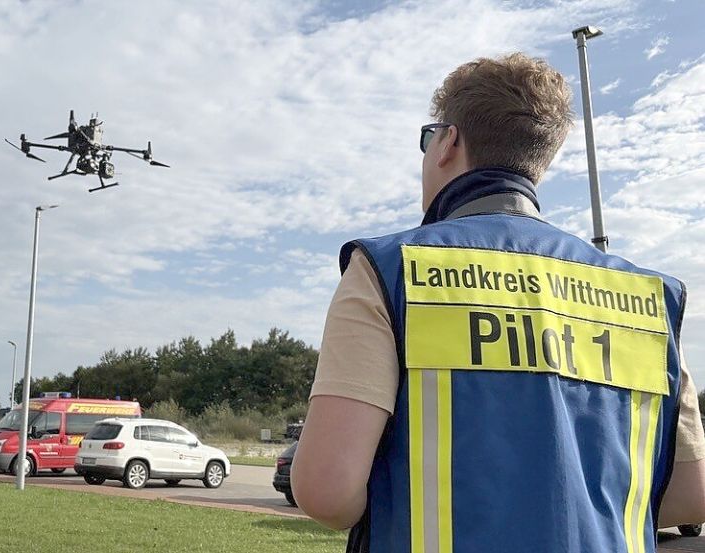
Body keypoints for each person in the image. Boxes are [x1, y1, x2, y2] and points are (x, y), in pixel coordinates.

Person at [291, 53, 705, 553]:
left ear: (448, 142)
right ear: (539, 162)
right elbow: (690, 494)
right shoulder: (648, 298)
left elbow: (326, 491)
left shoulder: (390, 270)